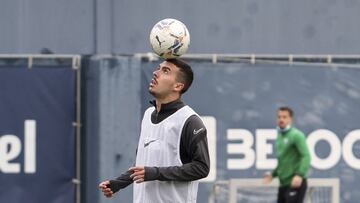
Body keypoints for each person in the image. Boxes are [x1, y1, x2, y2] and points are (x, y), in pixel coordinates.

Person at [99, 58, 210, 203]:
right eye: (158, 68)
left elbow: (201, 167)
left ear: (178, 86)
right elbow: (142, 164)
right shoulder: (147, 115)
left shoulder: (189, 121)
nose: (156, 73)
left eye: (165, 71)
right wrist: (117, 183)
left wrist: (155, 173)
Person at [263, 107, 311, 203]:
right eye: (279, 117)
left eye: (284, 117)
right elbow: (283, 161)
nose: (281, 119)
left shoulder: (297, 135)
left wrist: (299, 175)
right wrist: (272, 174)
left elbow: (306, 156)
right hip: (283, 184)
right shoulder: (280, 137)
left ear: (290, 119)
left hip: (295, 183)